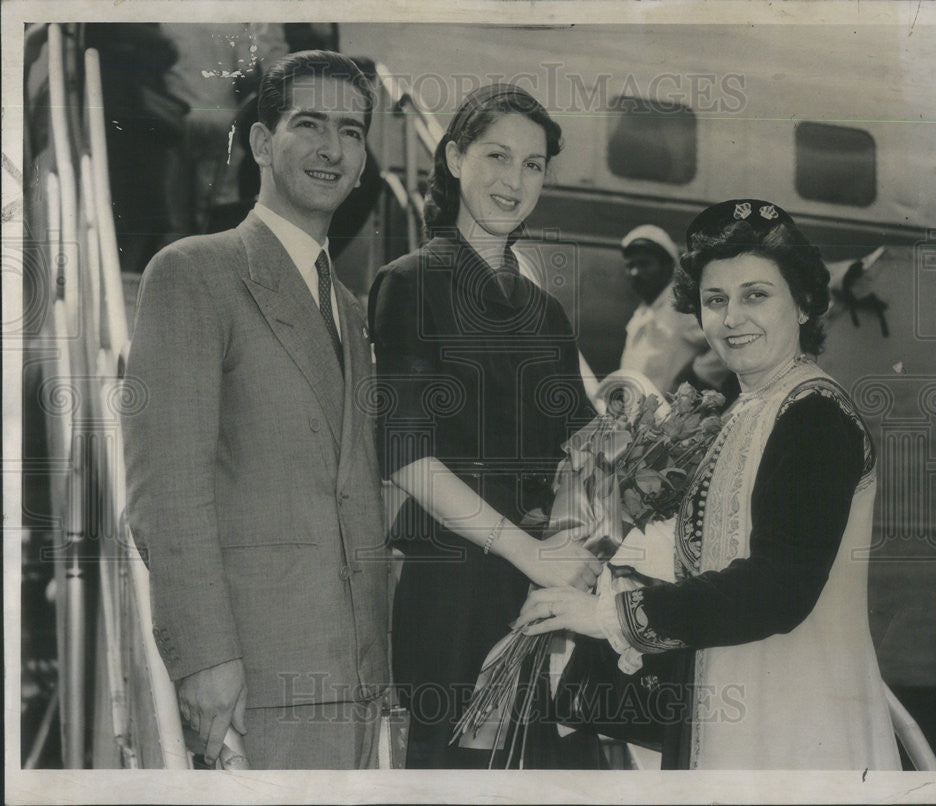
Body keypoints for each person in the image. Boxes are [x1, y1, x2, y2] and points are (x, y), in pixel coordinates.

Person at [515, 199, 902, 770]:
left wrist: (609, 617)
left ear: (804, 304)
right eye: (715, 300)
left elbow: (776, 589)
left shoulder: (814, 415)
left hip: (798, 726)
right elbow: (716, 546)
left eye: (756, 295)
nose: (732, 318)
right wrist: (597, 545)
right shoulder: (750, 408)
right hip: (736, 706)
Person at [123, 51, 389, 769]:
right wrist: (205, 659)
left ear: (364, 162)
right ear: (263, 144)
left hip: (355, 683)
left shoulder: (351, 310)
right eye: (309, 124)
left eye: (352, 131)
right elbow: (165, 493)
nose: (333, 149)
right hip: (255, 683)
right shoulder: (193, 273)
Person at [368, 84, 603, 769]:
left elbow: (583, 447)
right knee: (458, 770)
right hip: (457, 581)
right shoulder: (411, 281)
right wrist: (531, 554)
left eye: (533, 165)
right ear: (452, 157)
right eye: (497, 156)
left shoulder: (544, 311)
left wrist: (572, 536)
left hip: (541, 584)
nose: (514, 180)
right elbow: (406, 452)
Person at [618, 224, 736, 403]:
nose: (635, 272)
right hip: (638, 421)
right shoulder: (642, 313)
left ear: (666, 266)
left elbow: (729, 337)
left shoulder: (681, 305)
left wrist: (698, 375)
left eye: (644, 264)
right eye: (630, 265)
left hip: (670, 422)